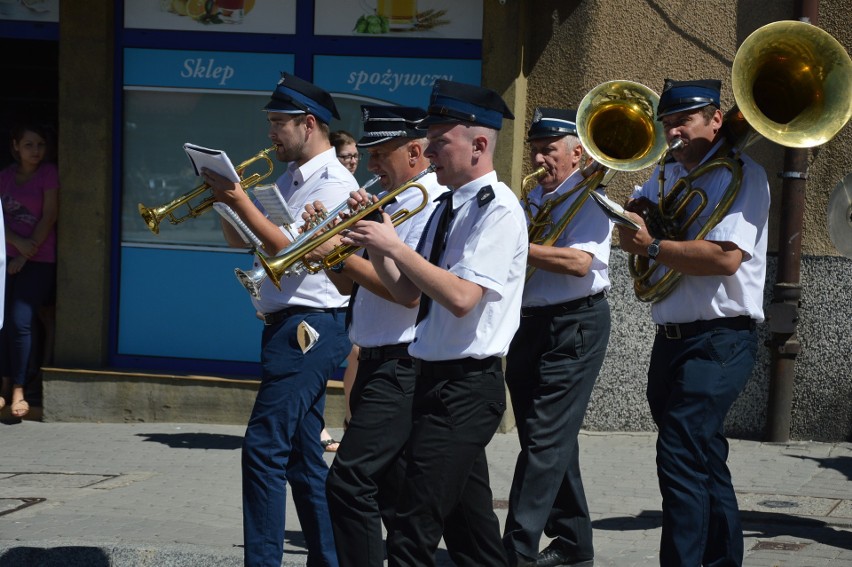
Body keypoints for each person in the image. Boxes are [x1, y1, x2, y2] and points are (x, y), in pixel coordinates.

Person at [341, 80, 527, 567]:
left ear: (479, 145)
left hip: (465, 388)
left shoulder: (499, 209)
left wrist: (396, 247)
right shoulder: (448, 204)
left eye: (439, 142)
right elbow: (407, 292)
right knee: (474, 538)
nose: (428, 151)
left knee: (411, 533)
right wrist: (378, 244)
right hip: (433, 380)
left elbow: (463, 298)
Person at [202, 72, 357, 567]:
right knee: (302, 458)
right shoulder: (291, 178)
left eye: (278, 123)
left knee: (263, 449)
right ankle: (331, 559)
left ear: (308, 124)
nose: (271, 133)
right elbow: (243, 243)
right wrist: (227, 205)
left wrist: (242, 199)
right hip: (285, 326)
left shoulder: (337, 183)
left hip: (311, 326)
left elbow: (293, 252)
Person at [618, 79, 770, 567]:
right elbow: (632, 218)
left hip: (720, 341)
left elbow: (725, 259)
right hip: (672, 339)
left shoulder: (742, 175)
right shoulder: (664, 174)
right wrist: (634, 213)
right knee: (703, 458)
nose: (673, 133)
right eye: (667, 124)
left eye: (683, 121)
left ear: (716, 120)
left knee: (679, 454)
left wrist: (654, 246)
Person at [313, 105, 447, 567]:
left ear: (415, 151)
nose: (370, 167)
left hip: (402, 361)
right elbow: (349, 286)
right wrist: (328, 250)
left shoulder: (427, 202)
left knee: (348, 483)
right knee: (394, 496)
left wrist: (343, 251)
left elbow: (406, 296)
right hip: (372, 358)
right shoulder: (390, 201)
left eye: (380, 154)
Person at [502, 108, 613, 567]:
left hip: (576, 322)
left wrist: (517, 245)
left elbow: (580, 263)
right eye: (535, 150)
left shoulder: (593, 198)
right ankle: (572, 543)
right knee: (541, 436)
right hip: (529, 323)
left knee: (546, 436)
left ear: (577, 153)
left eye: (549, 150)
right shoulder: (530, 196)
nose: (539, 159)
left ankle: (515, 551)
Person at [0, 122, 58, 419]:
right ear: (15, 147)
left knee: (20, 321)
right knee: (2, 322)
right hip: (6, 257)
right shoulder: (4, 178)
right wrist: (17, 245)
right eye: (29, 145)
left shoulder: (49, 174)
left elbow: (50, 215)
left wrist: (26, 252)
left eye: (40, 145)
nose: (35, 151)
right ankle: (3, 384)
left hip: (39, 260)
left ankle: (20, 389)